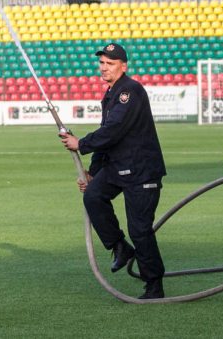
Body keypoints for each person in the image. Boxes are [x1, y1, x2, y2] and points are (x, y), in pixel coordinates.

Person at [60, 43, 167, 300]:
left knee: (140, 229)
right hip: (118, 167)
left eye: (110, 63)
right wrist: (94, 172)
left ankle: (154, 284)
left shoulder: (129, 91)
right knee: (93, 195)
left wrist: (81, 144)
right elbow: (108, 137)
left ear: (124, 66)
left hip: (141, 170)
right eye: (102, 63)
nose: (104, 67)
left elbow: (114, 129)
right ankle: (119, 247)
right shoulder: (111, 94)